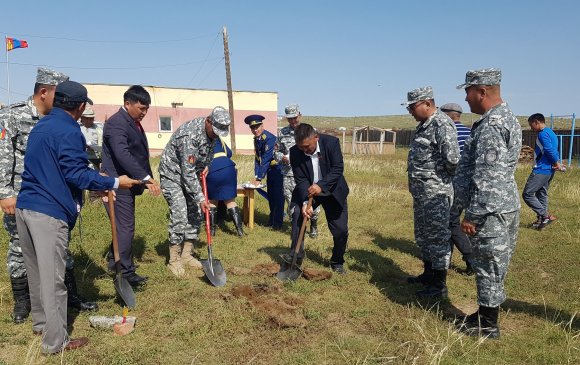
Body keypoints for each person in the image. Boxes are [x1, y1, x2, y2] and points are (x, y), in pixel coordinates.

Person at [15, 80, 139, 354]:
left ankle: (41, 324)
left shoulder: (42, 125)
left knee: (36, 273)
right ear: (81, 106)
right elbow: (75, 174)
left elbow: (56, 167)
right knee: (53, 279)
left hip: (25, 209)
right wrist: (115, 183)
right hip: (48, 213)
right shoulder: (70, 130)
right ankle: (55, 342)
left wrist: (100, 180)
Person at [0, 68, 98, 325]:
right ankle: (25, 302)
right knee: (21, 250)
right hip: (23, 197)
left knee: (59, 247)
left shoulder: (62, 120)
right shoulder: (12, 116)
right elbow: (2, 156)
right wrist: (5, 193)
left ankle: (68, 297)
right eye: (59, 93)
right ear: (44, 92)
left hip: (55, 196)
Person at [454, 68, 522, 339]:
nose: (467, 98)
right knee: (494, 264)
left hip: (491, 208)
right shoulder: (506, 118)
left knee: (489, 264)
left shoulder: (493, 125)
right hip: (503, 204)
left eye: (468, 92)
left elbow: (488, 175)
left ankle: (488, 325)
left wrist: (473, 215)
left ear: (482, 91)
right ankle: (484, 313)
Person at [159, 106, 231, 277]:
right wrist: (200, 197)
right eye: (215, 130)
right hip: (173, 175)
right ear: (208, 121)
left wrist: (206, 165)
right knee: (180, 213)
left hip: (190, 173)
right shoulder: (190, 136)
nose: (216, 134)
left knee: (196, 213)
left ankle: (186, 254)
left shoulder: (212, 133)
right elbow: (187, 171)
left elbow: (208, 152)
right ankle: (174, 259)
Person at [101, 85, 161, 287]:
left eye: (146, 109)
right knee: (125, 228)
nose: (144, 113)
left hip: (129, 183)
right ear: (128, 103)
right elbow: (122, 155)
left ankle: (114, 261)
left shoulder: (132, 122)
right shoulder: (117, 124)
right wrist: (145, 177)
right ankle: (125, 272)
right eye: (141, 108)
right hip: (118, 184)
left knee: (121, 227)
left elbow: (139, 153)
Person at [404, 87, 460, 298]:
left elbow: (453, 161)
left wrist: (438, 181)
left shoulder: (442, 124)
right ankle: (428, 275)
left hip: (436, 193)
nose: (410, 111)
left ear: (427, 103)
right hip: (421, 194)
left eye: (412, 106)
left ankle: (439, 285)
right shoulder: (424, 125)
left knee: (438, 237)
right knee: (424, 235)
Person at [282, 123, 350, 274]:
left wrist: (321, 185)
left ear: (316, 138)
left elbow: (337, 168)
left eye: (307, 146)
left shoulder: (331, 143)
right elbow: (300, 179)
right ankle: (296, 255)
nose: (305, 150)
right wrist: (306, 203)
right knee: (297, 214)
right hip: (308, 191)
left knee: (340, 230)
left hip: (333, 191)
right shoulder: (295, 152)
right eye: (301, 147)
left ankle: (337, 261)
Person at [275, 104, 320, 237]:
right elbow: (276, 152)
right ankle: (296, 228)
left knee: (312, 202)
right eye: (290, 119)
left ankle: (313, 225)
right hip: (289, 174)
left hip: (307, 175)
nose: (293, 121)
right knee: (292, 204)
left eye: (294, 118)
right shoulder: (282, 133)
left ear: (299, 115)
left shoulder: (309, 131)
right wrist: (282, 158)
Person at [440, 103, 474, 275]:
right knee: (451, 221)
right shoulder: (469, 132)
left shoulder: (449, 131)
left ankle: (470, 258)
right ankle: (447, 256)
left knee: (451, 221)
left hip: (454, 183)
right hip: (469, 184)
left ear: (450, 115)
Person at [245, 114, 284, 230]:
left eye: (257, 127)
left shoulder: (269, 138)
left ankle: (278, 223)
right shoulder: (257, 139)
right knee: (271, 197)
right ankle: (271, 221)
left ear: (262, 125)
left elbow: (266, 159)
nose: (255, 130)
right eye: (253, 128)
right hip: (270, 171)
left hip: (277, 170)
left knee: (278, 197)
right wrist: (256, 175)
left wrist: (259, 178)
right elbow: (258, 158)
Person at [522, 113, 561, 230]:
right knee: (541, 194)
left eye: (531, 125)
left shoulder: (543, 134)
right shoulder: (551, 132)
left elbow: (549, 150)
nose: (531, 128)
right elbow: (554, 149)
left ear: (536, 122)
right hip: (549, 170)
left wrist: (556, 162)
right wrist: (555, 162)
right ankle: (541, 221)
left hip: (541, 169)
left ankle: (544, 216)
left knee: (527, 194)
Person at [207, 135, 244, 237]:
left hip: (212, 168)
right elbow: (229, 153)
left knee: (212, 200)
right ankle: (239, 230)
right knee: (230, 201)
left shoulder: (202, 139)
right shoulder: (220, 139)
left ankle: (212, 231)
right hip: (228, 167)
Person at [79, 105, 103, 170]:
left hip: (94, 159)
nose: (88, 121)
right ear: (82, 118)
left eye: (91, 118)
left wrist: (94, 148)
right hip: (80, 158)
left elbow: (102, 148)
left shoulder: (99, 130)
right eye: (86, 118)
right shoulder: (77, 128)